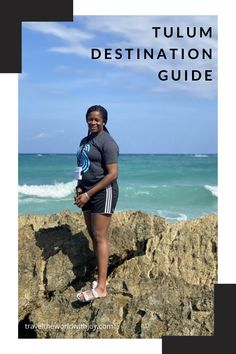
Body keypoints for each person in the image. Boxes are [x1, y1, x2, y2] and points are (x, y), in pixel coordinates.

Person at [74, 105, 119, 302]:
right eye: (90, 119)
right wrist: (78, 186)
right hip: (87, 192)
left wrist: (89, 194)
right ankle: (101, 277)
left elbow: (113, 174)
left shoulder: (107, 142)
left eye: (97, 120)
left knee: (100, 236)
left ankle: (101, 288)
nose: (93, 122)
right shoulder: (85, 141)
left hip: (103, 192)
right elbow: (81, 165)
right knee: (93, 234)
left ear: (104, 122)